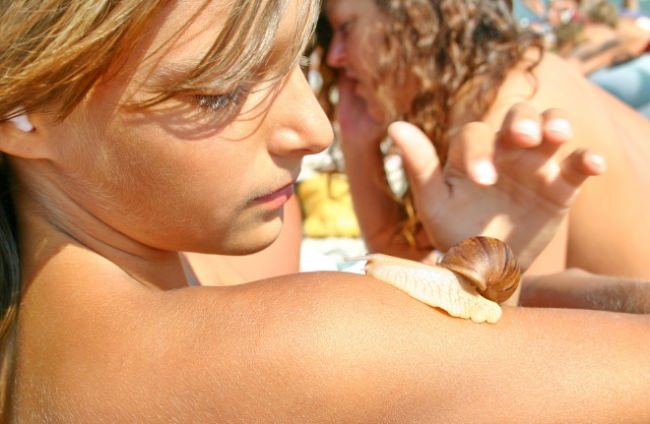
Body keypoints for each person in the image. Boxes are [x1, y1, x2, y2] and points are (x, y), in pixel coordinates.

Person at [1, 0, 650, 422]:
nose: (314, 129)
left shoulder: (40, 344)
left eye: (293, 64)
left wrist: (496, 286)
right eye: (220, 94)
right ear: (20, 114)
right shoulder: (302, 346)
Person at [324, 0, 650, 281]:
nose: (334, 57)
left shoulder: (507, 129)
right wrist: (356, 138)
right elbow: (407, 260)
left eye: (346, 28)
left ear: (411, 19)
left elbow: (516, 333)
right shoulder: (522, 71)